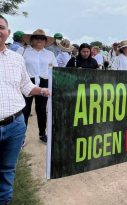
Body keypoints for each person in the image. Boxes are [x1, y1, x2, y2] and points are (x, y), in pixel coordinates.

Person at [0, 14, 50, 205]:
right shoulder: (24, 53)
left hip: (14, 124)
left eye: (1, 27)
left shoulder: (15, 58)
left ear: (8, 32)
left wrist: (44, 90)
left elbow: (26, 86)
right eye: (36, 38)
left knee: (7, 169)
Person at [17, 29, 58, 143]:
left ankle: (42, 133)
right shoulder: (23, 51)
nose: (39, 40)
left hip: (44, 83)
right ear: (31, 40)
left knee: (41, 110)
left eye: (42, 38)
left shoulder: (50, 54)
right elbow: (17, 67)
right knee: (25, 110)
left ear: (45, 41)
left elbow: (55, 69)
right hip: (27, 82)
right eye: (36, 38)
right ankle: (22, 137)